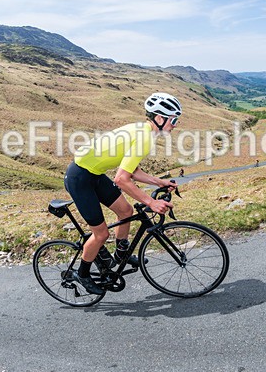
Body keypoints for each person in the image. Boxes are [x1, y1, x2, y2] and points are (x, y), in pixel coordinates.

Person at [64, 92, 182, 294]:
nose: (175, 124)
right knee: (101, 234)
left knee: (126, 211)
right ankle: (82, 273)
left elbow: (132, 170)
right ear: (160, 118)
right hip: (80, 178)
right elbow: (121, 179)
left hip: (95, 174)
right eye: (173, 120)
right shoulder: (145, 137)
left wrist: (158, 181)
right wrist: (150, 203)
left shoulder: (144, 131)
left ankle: (121, 254)